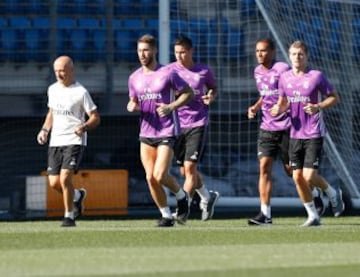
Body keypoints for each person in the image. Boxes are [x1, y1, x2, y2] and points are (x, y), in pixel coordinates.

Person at [270, 40, 345, 227]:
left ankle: (333, 194)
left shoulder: (316, 76)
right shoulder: (284, 78)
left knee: (309, 176)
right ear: (289, 55)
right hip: (294, 134)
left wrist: (317, 106)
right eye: (294, 54)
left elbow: (335, 97)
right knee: (297, 177)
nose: (297, 58)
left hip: (313, 132)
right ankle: (313, 216)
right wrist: (278, 109)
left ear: (307, 56)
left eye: (300, 54)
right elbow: (283, 102)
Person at [127, 34, 194, 227]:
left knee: (159, 175)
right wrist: (132, 105)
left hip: (167, 131)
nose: (142, 54)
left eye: (146, 50)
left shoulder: (168, 73)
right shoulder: (134, 78)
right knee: (150, 178)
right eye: (139, 50)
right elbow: (134, 100)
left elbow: (188, 93)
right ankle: (166, 215)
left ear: (155, 50)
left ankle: (181, 197)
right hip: (146, 133)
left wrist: (171, 106)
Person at [37, 55, 100, 227]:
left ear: (71, 70)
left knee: (65, 179)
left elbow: (95, 117)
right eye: (56, 71)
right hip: (55, 141)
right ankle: (78, 196)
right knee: (54, 183)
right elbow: (52, 113)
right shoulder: (52, 89)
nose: (59, 74)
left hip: (74, 140)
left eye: (62, 70)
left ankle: (69, 216)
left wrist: (84, 127)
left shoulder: (81, 92)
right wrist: (44, 130)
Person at [169, 36, 220, 221]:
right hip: (177, 125)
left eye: (183, 52)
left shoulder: (203, 71)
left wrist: (211, 96)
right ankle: (207, 196)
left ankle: (183, 210)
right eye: (176, 53)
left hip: (198, 123)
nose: (179, 56)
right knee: (185, 171)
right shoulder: (170, 71)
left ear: (191, 51)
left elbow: (213, 88)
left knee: (190, 168)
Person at [247, 38, 293, 225]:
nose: (259, 54)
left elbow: (293, 93)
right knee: (264, 166)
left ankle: (316, 193)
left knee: (292, 171)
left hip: (288, 127)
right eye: (257, 50)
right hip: (267, 126)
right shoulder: (257, 71)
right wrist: (256, 106)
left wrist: (282, 107)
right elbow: (265, 94)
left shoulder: (283, 69)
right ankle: (265, 214)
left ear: (273, 52)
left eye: (264, 50)